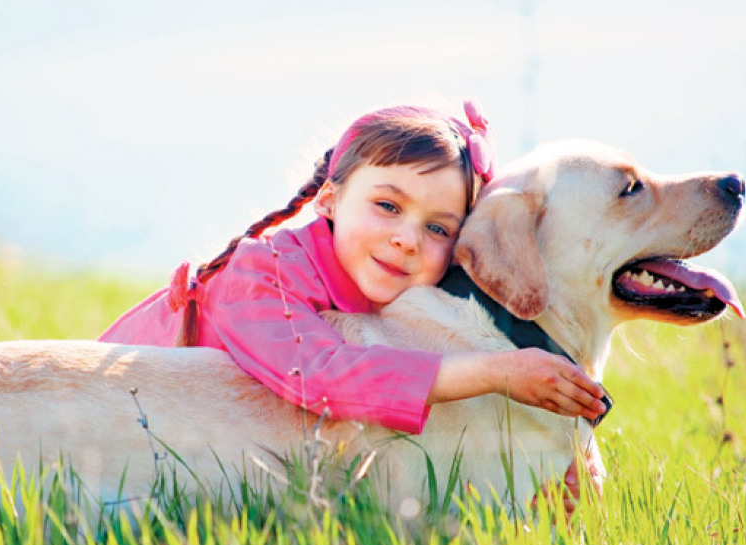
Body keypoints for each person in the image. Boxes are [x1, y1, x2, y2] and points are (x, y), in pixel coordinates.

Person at [98, 100, 607, 436]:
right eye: (388, 206)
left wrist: (560, 451)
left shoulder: (399, 289)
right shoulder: (259, 276)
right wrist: (496, 373)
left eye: (438, 229)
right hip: (113, 422)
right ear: (328, 199)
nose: (407, 239)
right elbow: (325, 375)